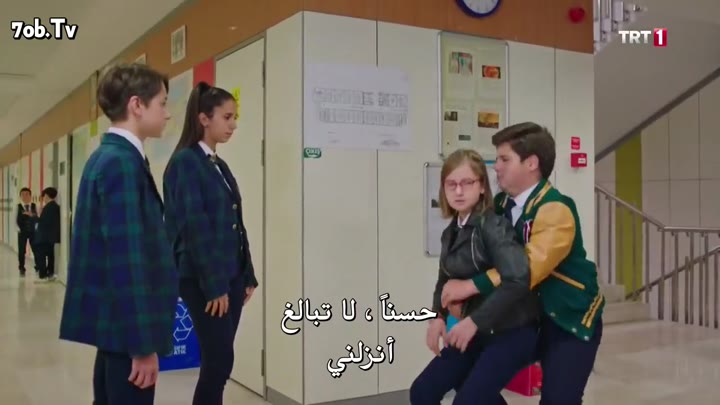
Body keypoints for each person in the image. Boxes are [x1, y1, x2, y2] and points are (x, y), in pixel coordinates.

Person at [442, 122, 604, 405]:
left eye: (504, 159)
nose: (496, 167)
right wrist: (446, 307)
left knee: (558, 400)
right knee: (467, 381)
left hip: (568, 318)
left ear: (531, 163)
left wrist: (470, 286)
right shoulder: (501, 205)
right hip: (524, 318)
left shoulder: (555, 209)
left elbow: (527, 268)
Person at [59, 63, 177, 405]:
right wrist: (142, 346)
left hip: (114, 328)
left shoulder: (109, 157)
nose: (167, 114)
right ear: (137, 105)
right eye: (162, 103)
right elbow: (127, 259)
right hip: (127, 334)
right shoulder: (122, 164)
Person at [410, 149, 539, 405]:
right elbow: (444, 279)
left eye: (467, 182)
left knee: (469, 401)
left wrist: (472, 320)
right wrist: (437, 317)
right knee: (422, 392)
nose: (458, 191)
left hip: (510, 330)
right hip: (475, 329)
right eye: (451, 184)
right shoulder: (451, 232)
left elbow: (518, 278)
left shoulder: (493, 226)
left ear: (481, 187)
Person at [163, 81, 258, 405]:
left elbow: (235, 224)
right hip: (204, 279)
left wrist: (247, 274)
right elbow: (195, 228)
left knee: (221, 360)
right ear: (204, 119)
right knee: (218, 361)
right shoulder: (186, 162)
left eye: (235, 117)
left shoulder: (217, 164)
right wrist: (215, 286)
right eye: (227, 117)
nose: (233, 125)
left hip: (230, 275)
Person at [33, 186, 60, 282]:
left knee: (41, 255)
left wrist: (36, 216)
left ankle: (43, 275)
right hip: (50, 236)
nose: (43, 198)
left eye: (43, 196)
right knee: (50, 255)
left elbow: (44, 222)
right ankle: (50, 273)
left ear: (47, 195)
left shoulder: (49, 207)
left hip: (44, 236)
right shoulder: (55, 206)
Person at [16, 187, 37, 277]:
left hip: (33, 232)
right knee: (21, 251)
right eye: (23, 195)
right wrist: (18, 230)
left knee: (36, 249)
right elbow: (14, 219)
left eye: (27, 194)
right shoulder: (17, 207)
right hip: (22, 232)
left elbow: (38, 218)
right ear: (20, 196)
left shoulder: (34, 206)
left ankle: (38, 266)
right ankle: (21, 267)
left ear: (30, 196)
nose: (25, 196)